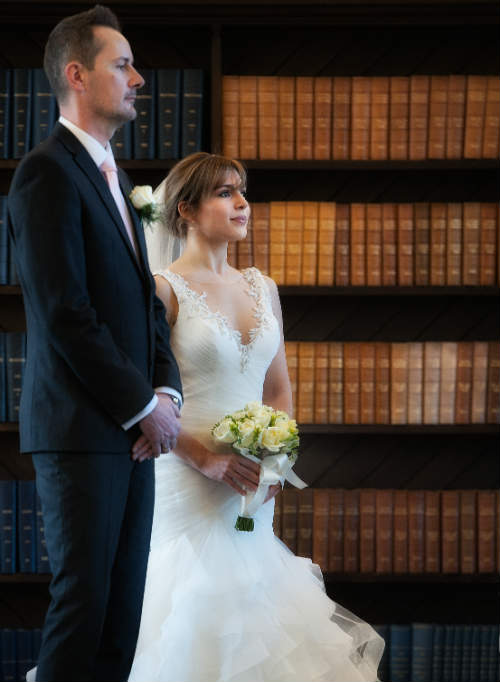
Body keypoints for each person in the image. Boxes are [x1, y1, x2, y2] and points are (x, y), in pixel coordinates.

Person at [128, 151, 384, 682]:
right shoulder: (163, 290)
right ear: (186, 211)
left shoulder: (261, 288)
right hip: (188, 481)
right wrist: (209, 462)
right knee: (191, 619)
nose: (242, 203)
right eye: (225, 193)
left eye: (242, 191)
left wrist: (275, 454)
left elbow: (278, 388)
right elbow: (144, 399)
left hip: (253, 489)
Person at [8, 6, 182, 681]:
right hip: (83, 429)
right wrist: (143, 406)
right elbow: (64, 312)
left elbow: (146, 304)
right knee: (83, 612)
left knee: (120, 621)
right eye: (122, 64)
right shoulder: (46, 172)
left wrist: (165, 391)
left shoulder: (115, 175)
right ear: (77, 75)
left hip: (134, 429)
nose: (138, 78)